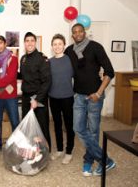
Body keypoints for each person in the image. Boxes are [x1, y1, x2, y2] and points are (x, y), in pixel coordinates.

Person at [64, 23, 116, 176]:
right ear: (72, 35)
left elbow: (109, 72)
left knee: (93, 131)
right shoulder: (69, 51)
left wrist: (99, 93)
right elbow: (61, 64)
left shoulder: (96, 47)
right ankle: (106, 160)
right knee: (78, 128)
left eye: (80, 31)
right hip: (78, 96)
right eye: (75, 32)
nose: (78, 34)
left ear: (84, 32)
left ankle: (88, 160)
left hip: (95, 96)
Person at [19, 32, 52, 150]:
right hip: (26, 97)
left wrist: (37, 99)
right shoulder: (23, 58)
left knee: (42, 126)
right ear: (24, 43)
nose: (29, 43)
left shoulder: (42, 59)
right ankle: (30, 150)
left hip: (39, 97)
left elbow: (47, 81)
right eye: (27, 41)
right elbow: (23, 76)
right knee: (27, 125)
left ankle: (45, 152)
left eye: (32, 40)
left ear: (35, 42)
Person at [48, 34, 75, 164]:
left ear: (64, 45)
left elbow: (79, 75)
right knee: (57, 125)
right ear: (52, 47)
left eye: (60, 44)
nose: (57, 46)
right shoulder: (49, 62)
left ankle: (69, 151)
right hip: (53, 98)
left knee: (69, 125)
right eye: (55, 44)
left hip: (67, 98)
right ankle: (59, 149)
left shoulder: (70, 60)